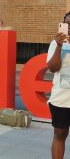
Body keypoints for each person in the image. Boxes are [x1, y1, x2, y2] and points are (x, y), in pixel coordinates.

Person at [47, 12, 70, 159]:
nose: (69, 27)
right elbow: (53, 68)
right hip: (61, 99)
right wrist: (59, 46)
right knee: (59, 134)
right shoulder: (56, 43)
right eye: (67, 23)